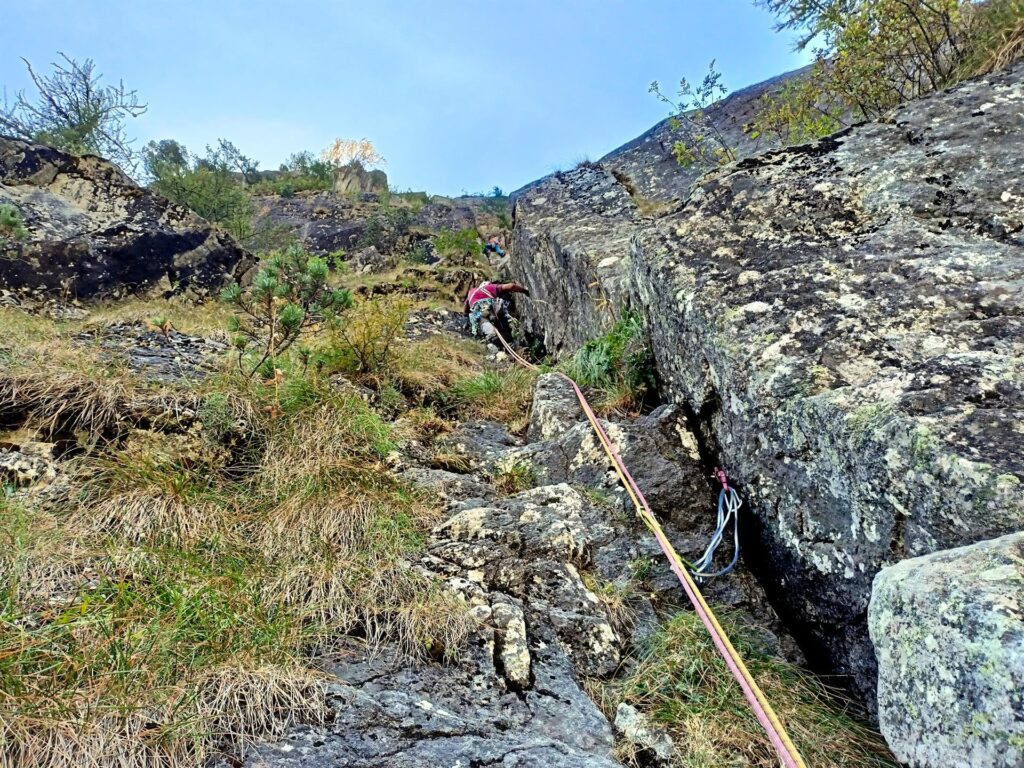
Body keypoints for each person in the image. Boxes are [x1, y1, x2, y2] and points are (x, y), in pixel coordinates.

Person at [464, 280, 530, 343]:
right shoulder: (490, 287)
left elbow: (466, 306)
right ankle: (507, 335)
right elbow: (511, 286)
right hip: (491, 308)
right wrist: (525, 291)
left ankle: (493, 336)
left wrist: (466, 313)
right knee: (500, 304)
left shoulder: (471, 292)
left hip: (479, 314)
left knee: (488, 329)